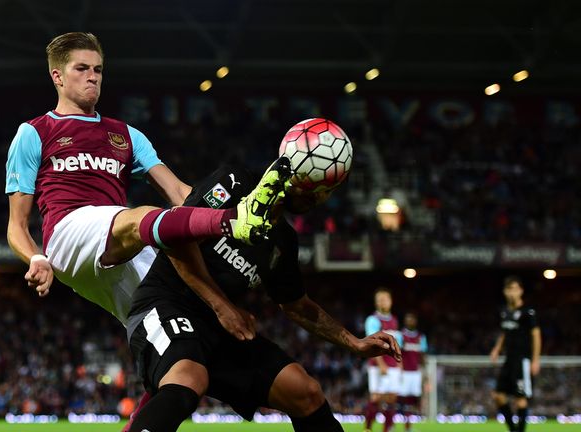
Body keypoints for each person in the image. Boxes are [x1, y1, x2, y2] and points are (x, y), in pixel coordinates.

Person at [5, 32, 289, 339]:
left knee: (181, 330)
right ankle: (233, 222)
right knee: (145, 216)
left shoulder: (126, 134)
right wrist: (35, 257)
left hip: (120, 239)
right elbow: (16, 224)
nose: (93, 77)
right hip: (69, 235)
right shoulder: (35, 132)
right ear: (57, 76)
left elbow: (181, 194)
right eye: (82, 68)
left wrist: (233, 203)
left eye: (98, 70)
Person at [124, 165, 401, 432]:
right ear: (298, 177)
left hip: (223, 331)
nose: (320, 199)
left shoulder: (283, 240)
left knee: (305, 392)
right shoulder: (234, 183)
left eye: (327, 192)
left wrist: (354, 342)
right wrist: (223, 307)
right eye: (318, 188)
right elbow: (176, 239)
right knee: (188, 380)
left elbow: (296, 305)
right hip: (168, 304)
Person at [489, 276, 541, 432]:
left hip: (522, 360)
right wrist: (497, 348)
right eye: (508, 289)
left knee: (520, 398)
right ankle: (513, 429)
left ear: (521, 291)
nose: (511, 292)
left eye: (514, 289)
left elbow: (536, 335)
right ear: (504, 292)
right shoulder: (505, 312)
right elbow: (505, 331)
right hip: (508, 360)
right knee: (498, 396)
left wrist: (535, 360)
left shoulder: (528, 312)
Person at [364, 287, 403, 432]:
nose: (382, 302)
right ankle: (367, 428)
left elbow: (397, 345)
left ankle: (387, 429)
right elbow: (373, 343)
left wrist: (400, 365)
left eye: (385, 299)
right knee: (376, 397)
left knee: (392, 397)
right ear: (376, 303)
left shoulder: (394, 320)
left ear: (391, 301)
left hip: (393, 365)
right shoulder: (373, 320)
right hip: (377, 365)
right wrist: (381, 363)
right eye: (379, 299)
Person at [398, 312, 427, 432]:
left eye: (412, 319)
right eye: (408, 319)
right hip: (404, 372)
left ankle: (408, 427)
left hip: (416, 372)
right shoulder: (400, 335)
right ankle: (394, 424)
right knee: (401, 399)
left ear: (415, 321)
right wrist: (399, 370)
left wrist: (425, 373)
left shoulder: (421, 337)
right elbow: (397, 353)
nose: (410, 321)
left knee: (413, 400)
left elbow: (423, 356)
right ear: (405, 321)